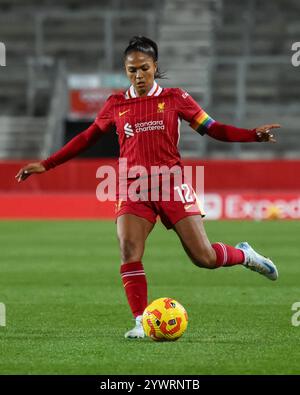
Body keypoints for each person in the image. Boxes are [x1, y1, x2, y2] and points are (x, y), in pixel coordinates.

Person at [16, 36, 280, 339]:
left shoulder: (176, 97)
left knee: (203, 258)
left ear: (155, 66)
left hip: (171, 183)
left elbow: (213, 128)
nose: (138, 76)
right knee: (128, 250)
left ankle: (245, 255)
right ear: (125, 70)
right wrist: (46, 164)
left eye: (144, 68)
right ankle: (141, 321)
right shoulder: (116, 103)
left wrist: (251, 135)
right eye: (132, 70)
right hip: (133, 186)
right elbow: (86, 138)